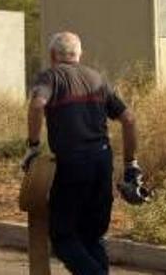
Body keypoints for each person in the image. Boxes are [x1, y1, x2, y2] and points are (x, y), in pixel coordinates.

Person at [21, 32, 141, 275]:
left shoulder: (51, 76)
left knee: (63, 237)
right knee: (91, 237)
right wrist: (131, 164)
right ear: (79, 55)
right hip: (102, 162)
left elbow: (36, 105)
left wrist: (33, 146)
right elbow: (129, 119)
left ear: (53, 55)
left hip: (73, 164)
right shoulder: (97, 79)